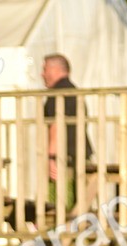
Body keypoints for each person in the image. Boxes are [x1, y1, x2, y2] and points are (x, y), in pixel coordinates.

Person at [41, 54, 93, 211]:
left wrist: (51, 157)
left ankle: (62, 233)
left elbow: (56, 126)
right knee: (82, 203)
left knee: (60, 205)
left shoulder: (57, 93)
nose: (42, 74)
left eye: (44, 69)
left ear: (55, 70)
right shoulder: (74, 91)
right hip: (83, 156)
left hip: (65, 159)